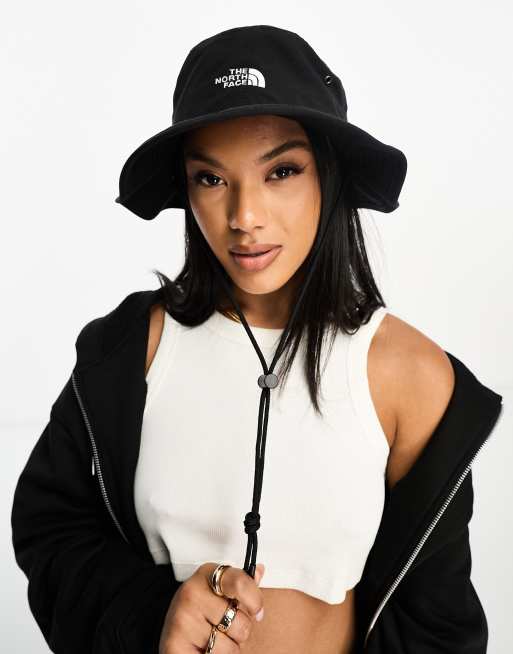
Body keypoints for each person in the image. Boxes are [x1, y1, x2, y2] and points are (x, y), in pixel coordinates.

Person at [11, 25, 503, 654]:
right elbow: (52, 532)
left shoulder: (410, 375)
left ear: (328, 176)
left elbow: (441, 629)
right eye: (210, 179)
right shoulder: (130, 352)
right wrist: (150, 617)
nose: (244, 217)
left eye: (282, 171)